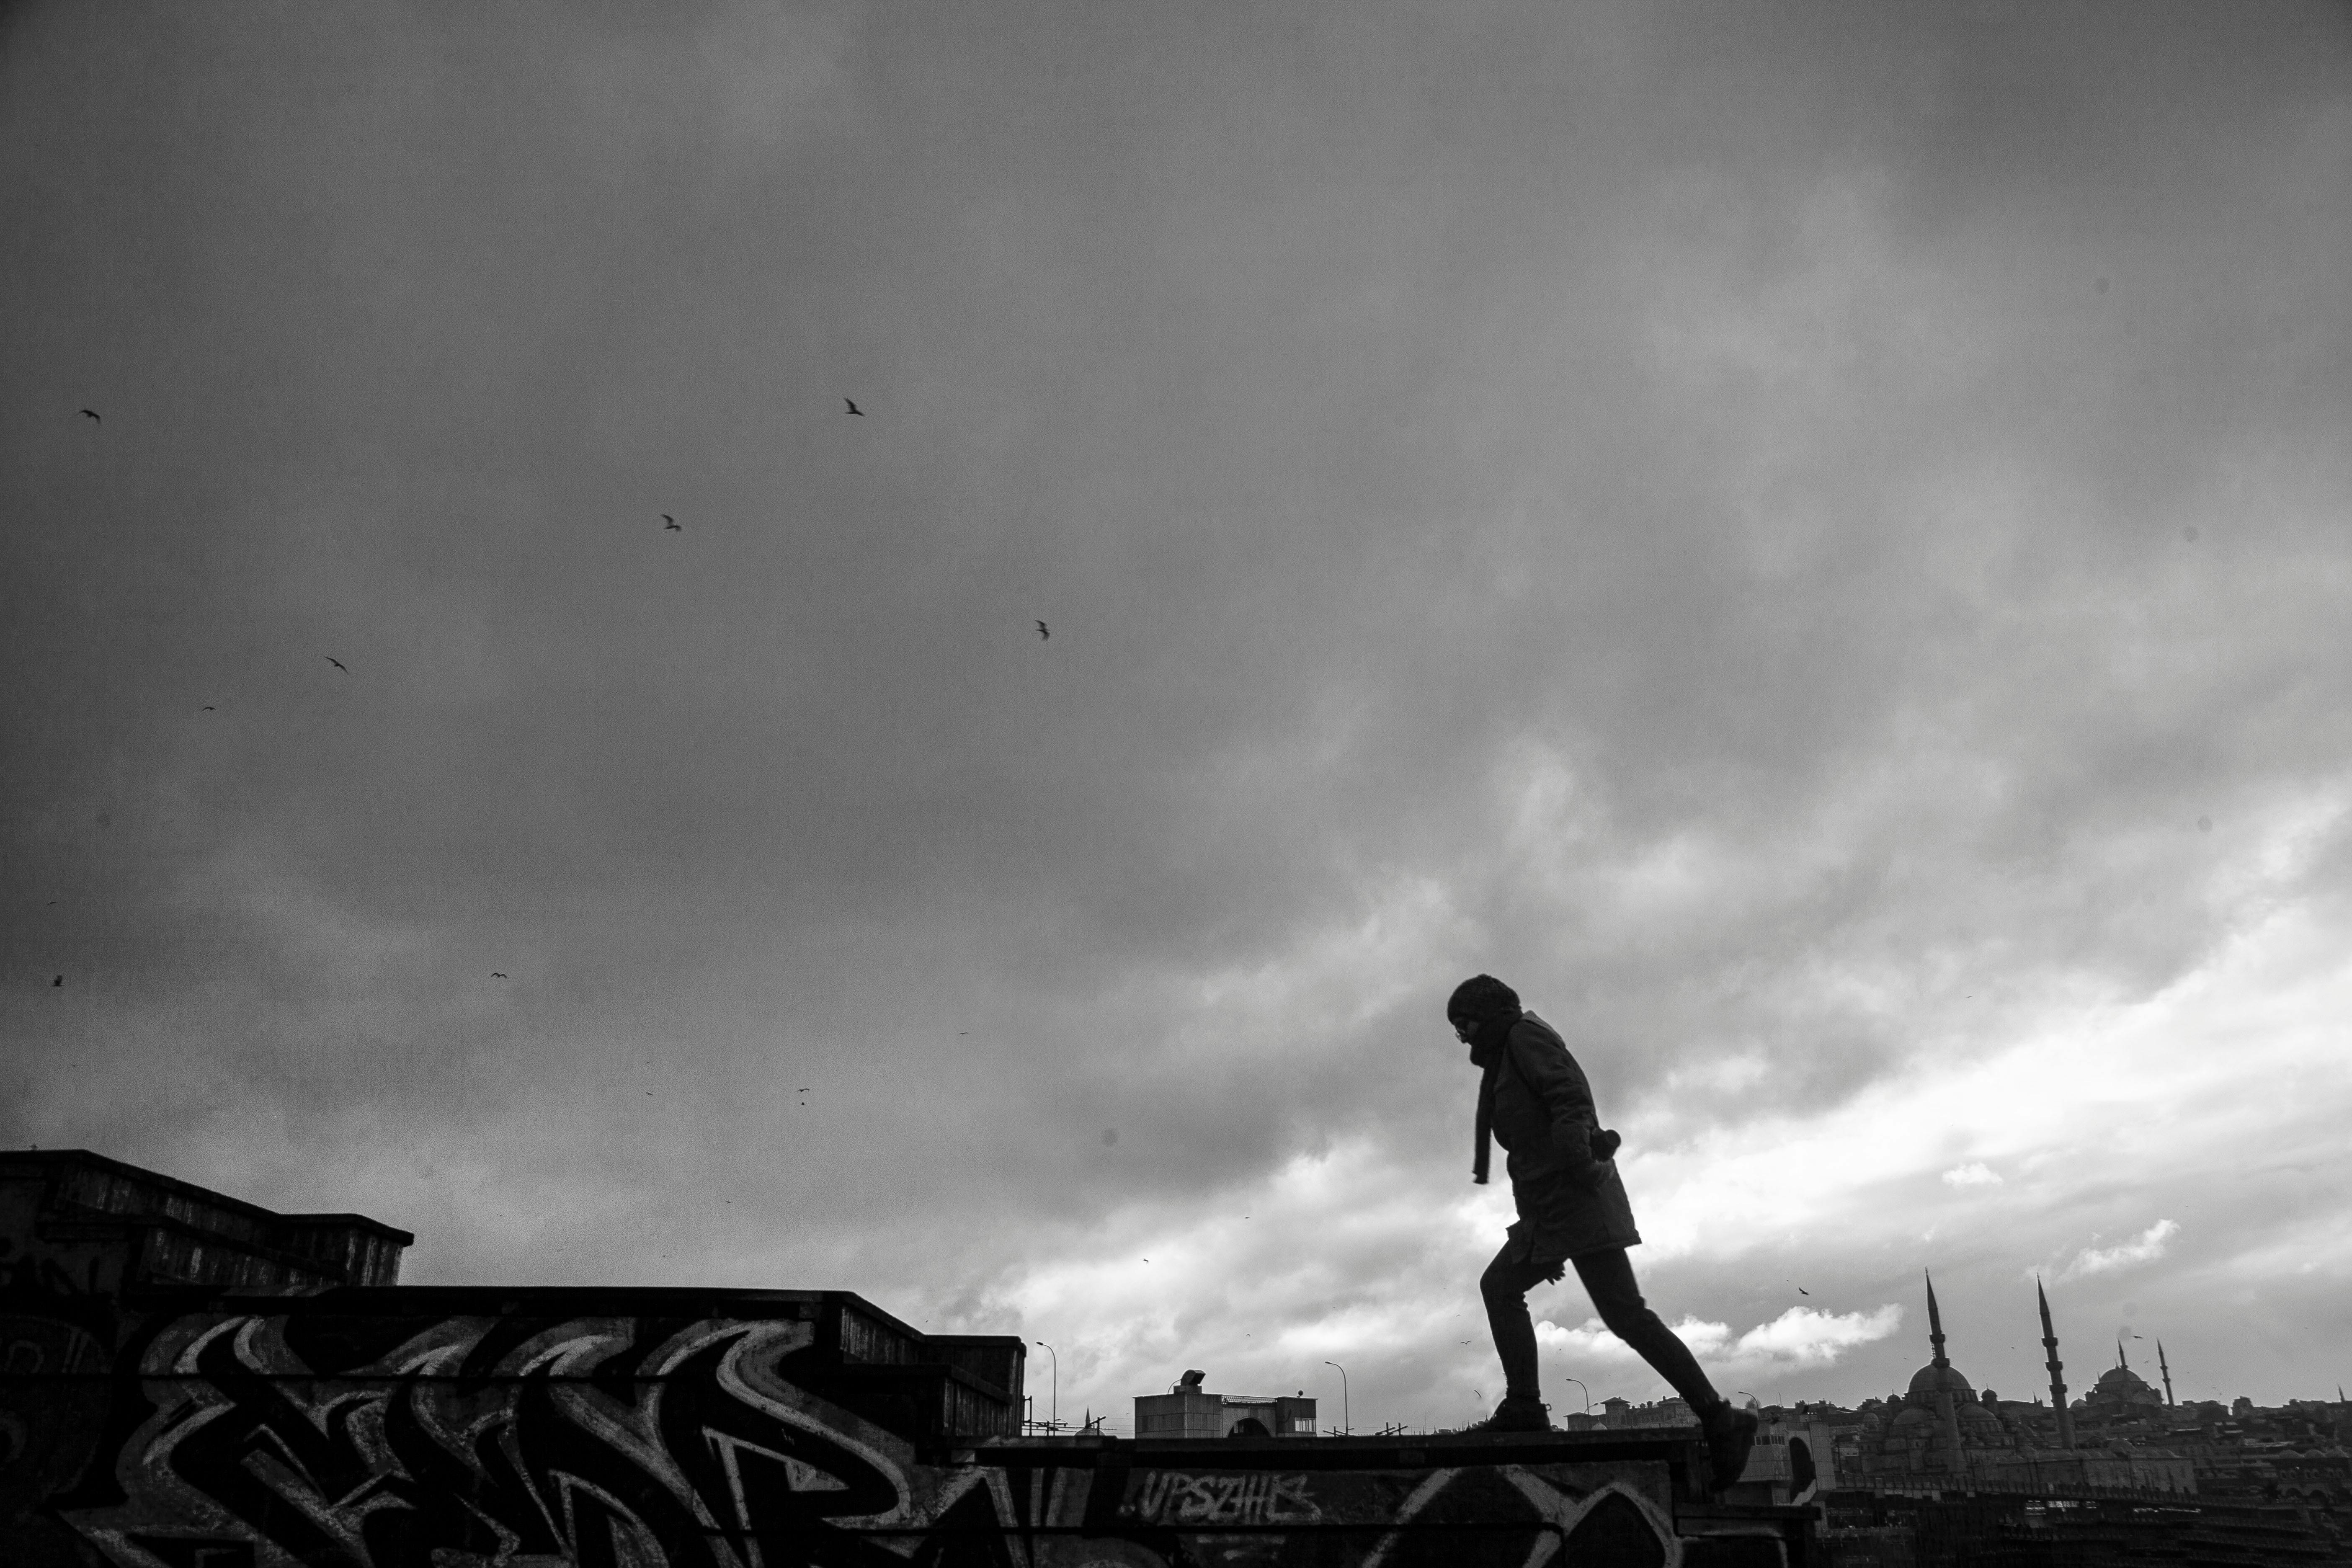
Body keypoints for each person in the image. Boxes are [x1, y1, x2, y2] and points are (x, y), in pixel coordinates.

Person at [1447, 972, 1756, 1488]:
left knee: (1624, 1315)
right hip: (1551, 1209)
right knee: (1508, 1289)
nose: (1464, 1040)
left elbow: (1569, 1096)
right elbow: (1531, 1145)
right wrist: (1539, 1228)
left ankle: (1720, 1418)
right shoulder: (1507, 1053)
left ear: (1489, 1015)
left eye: (1466, 1026)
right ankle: (1525, 1405)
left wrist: (1575, 1159)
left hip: (1577, 1197)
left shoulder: (1524, 1037)